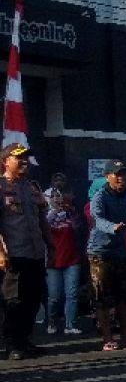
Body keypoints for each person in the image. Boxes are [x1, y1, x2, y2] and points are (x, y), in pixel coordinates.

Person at [86, 161, 126, 351]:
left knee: (124, 296)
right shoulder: (99, 196)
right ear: (107, 177)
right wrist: (112, 227)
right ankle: (107, 338)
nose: (122, 178)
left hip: (120, 252)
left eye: (124, 174)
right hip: (99, 253)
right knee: (102, 297)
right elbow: (98, 220)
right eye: (117, 174)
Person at [0, 143, 50, 359]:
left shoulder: (32, 187)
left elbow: (41, 219)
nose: (24, 162)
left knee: (33, 298)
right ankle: (12, 345)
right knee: (14, 301)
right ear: (5, 161)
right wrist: (0, 253)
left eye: (26, 158)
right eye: (18, 158)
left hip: (35, 253)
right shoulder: (1, 187)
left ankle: (25, 340)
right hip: (14, 254)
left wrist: (51, 244)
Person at [44, 187, 85, 336]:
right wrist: (54, 212)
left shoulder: (69, 213)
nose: (56, 199)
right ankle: (52, 321)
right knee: (54, 296)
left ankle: (70, 325)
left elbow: (78, 227)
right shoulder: (44, 215)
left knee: (72, 294)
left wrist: (70, 212)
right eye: (53, 196)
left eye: (58, 196)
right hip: (53, 261)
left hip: (71, 259)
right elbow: (45, 227)